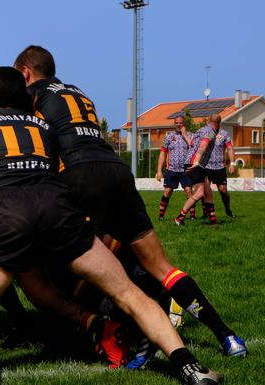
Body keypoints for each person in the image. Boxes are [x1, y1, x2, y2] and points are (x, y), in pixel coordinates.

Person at [0, 66, 222, 385]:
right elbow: (58, 170)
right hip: (59, 213)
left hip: (6, 216)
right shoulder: (45, 127)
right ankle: (189, 366)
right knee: (130, 295)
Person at [13, 45, 247, 367]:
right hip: (116, 171)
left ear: (26, 72)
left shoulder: (32, 96)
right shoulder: (78, 94)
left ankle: (127, 335)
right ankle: (227, 336)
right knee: (159, 266)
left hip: (80, 176)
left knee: (71, 268)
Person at [175, 114, 236, 225]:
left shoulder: (201, 130)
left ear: (208, 120)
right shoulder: (211, 132)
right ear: (218, 123)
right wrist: (197, 161)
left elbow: (192, 144)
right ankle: (179, 218)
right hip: (196, 164)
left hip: (199, 164)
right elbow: (202, 146)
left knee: (207, 192)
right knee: (199, 194)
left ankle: (212, 220)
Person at [155, 116, 195, 220]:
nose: (178, 124)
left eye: (180, 123)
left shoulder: (190, 135)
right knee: (167, 192)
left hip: (186, 170)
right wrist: (159, 171)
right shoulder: (169, 137)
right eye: (176, 123)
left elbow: (195, 148)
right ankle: (161, 216)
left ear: (184, 124)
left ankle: (192, 216)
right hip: (171, 169)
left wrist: (184, 134)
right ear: (174, 124)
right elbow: (162, 154)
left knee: (188, 191)